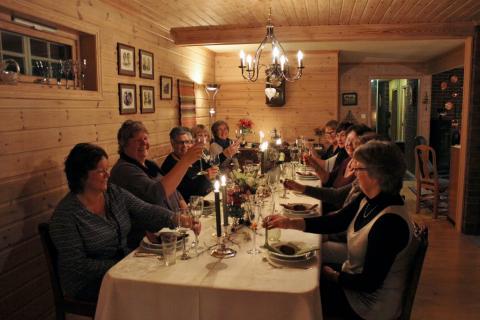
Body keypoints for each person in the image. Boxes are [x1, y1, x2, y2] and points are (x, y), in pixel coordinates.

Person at [264, 141, 418, 320]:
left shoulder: (390, 223)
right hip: (354, 285)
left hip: (369, 307)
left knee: (297, 295)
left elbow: (369, 283)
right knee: (300, 272)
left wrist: (334, 276)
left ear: (376, 174)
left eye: (357, 168)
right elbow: (336, 221)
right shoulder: (370, 198)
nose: (353, 172)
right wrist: (290, 223)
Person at [49, 143, 176, 302]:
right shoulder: (66, 216)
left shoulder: (113, 193)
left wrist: (175, 218)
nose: (107, 175)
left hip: (121, 269)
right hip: (89, 284)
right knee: (151, 293)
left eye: (107, 169)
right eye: (101, 171)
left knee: (167, 275)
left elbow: (145, 210)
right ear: (82, 176)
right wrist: (123, 263)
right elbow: (77, 265)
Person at [109, 120, 202, 247]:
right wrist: (185, 161)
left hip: (174, 230)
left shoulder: (149, 164)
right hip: (149, 240)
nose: (144, 143)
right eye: (137, 141)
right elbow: (156, 194)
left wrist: (187, 213)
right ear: (124, 144)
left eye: (145, 138)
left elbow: (173, 189)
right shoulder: (124, 170)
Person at [161, 126, 218, 202]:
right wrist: (205, 178)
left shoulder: (193, 158)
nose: (184, 146)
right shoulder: (170, 164)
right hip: (189, 205)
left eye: (188, 142)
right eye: (181, 142)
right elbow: (187, 193)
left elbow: (210, 166)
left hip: (204, 198)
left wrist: (212, 170)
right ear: (172, 143)